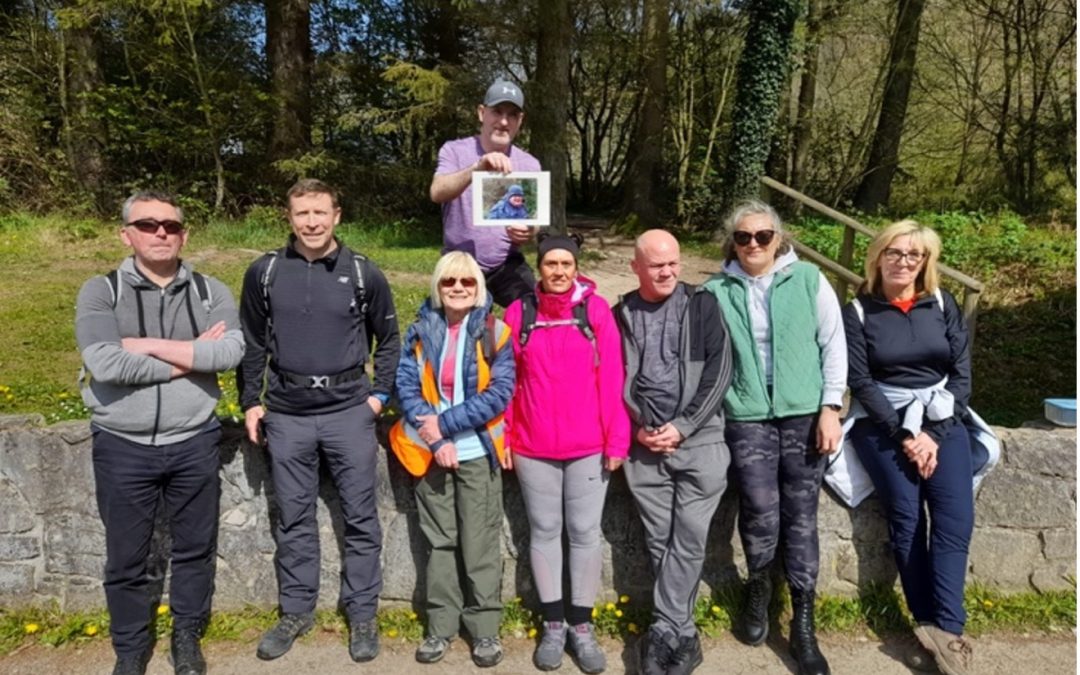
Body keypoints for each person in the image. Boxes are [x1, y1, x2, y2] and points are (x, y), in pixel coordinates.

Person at [75, 191, 244, 675]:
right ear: (126, 234)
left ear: (184, 234)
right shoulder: (100, 291)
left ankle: (186, 638)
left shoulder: (211, 291)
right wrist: (189, 356)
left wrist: (145, 346)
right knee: (126, 557)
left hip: (194, 439)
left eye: (170, 225)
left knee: (195, 548)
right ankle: (130, 650)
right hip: (122, 445)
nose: (161, 233)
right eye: (148, 225)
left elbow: (229, 354)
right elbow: (104, 362)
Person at [237, 179, 400, 664]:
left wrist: (378, 399)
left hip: (349, 412)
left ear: (337, 216)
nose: (312, 222)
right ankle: (296, 611)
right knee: (293, 518)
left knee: (360, 518)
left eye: (320, 213)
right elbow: (251, 341)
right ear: (289, 217)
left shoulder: (363, 272)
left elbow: (389, 340)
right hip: (287, 414)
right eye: (302, 213)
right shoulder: (264, 272)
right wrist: (249, 400)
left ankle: (363, 613)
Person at [704, 200, 846, 675]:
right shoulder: (716, 289)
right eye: (743, 237)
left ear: (778, 239)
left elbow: (833, 343)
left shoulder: (807, 280)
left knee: (801, 515)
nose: (753, 245)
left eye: (762, 236)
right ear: (733, 242)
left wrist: (830, 407)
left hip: (804, 414)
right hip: (746, 414)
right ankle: (759, 589)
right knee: (759, 507)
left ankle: (803, 618)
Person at [843, 221, 975, 675]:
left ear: (926, 262)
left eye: (913, 255)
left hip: (940, 421)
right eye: (894, 253)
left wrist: (932, 436)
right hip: (882, 423)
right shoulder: (858, 311)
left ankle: (947, 631)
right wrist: (904, 435)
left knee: (955, 519)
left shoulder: (941, 303)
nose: (903, 262)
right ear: (878, 256)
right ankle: (925, 621)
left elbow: (961, 374)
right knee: (906, 517)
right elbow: (859, 381)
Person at [503, 234, 630, 674]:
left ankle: (582, 625)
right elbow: (507, 382)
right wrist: (505, 436)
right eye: (551, 264)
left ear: (577, 268)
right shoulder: (519, 313)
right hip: (532, 446)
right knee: (543, 531)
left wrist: (617, 440)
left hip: (588, 447)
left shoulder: (594, 312)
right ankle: (553, 624)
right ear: (539, 268)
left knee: (584, 533)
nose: (559, 271)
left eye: (566, 264)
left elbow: (612, 378)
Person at [614, 230, 733, 675]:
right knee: (659, 539)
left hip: (700, 441)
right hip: (644, 446)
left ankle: (665, 629)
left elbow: (721, 371)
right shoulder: (620, 313)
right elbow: (613, 378)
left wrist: (683, 427)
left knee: (688, 537)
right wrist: (639, 427)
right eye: (656, 265)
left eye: (673, 263)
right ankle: (682, 634)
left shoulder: (703, 305)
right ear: (636, 268)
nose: (667, 272)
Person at [391, 251, 515, 668]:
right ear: (438, 286)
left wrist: (443, 426)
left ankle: (484, 631)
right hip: (431, 454)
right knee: (440, 543)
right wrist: (432, 434)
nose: (458, 288)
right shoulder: (421, 331)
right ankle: (440, 627)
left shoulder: (496, 332)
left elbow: (499, 393)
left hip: (477, 452)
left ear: (478, 287)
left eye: (466, 281)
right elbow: (405, 384)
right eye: (449, 282)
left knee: (479, 545)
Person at [430, 79, 541, 306]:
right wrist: (477, 169)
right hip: (459, 262)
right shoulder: (454, 150)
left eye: (512, 115)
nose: (503, 121)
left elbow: (533, 222)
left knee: (533, 312)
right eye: (497, 112)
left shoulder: (530, 164)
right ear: (482, 113)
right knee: (451, 331)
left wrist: (529, 231)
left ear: (520, 121)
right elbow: (437, 192)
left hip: (506, 264)